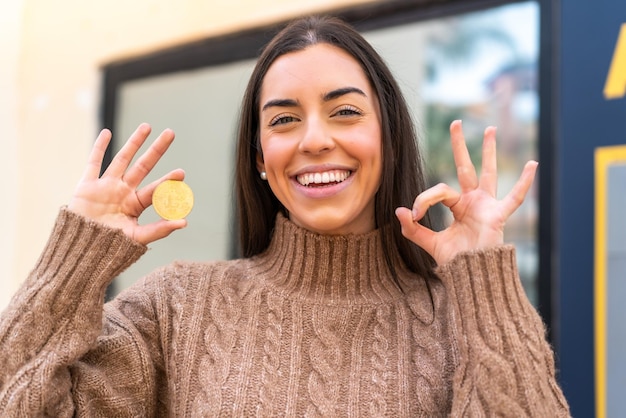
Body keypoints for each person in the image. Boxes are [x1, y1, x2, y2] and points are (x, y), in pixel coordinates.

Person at [0, 15, 570, 417]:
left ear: (389, 140)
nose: (315, 140)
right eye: (283, 120)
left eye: (345, 112)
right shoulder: (176, 307)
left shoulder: (455, 315)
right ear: (259, 160)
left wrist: (482, 280)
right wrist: (71, 263)